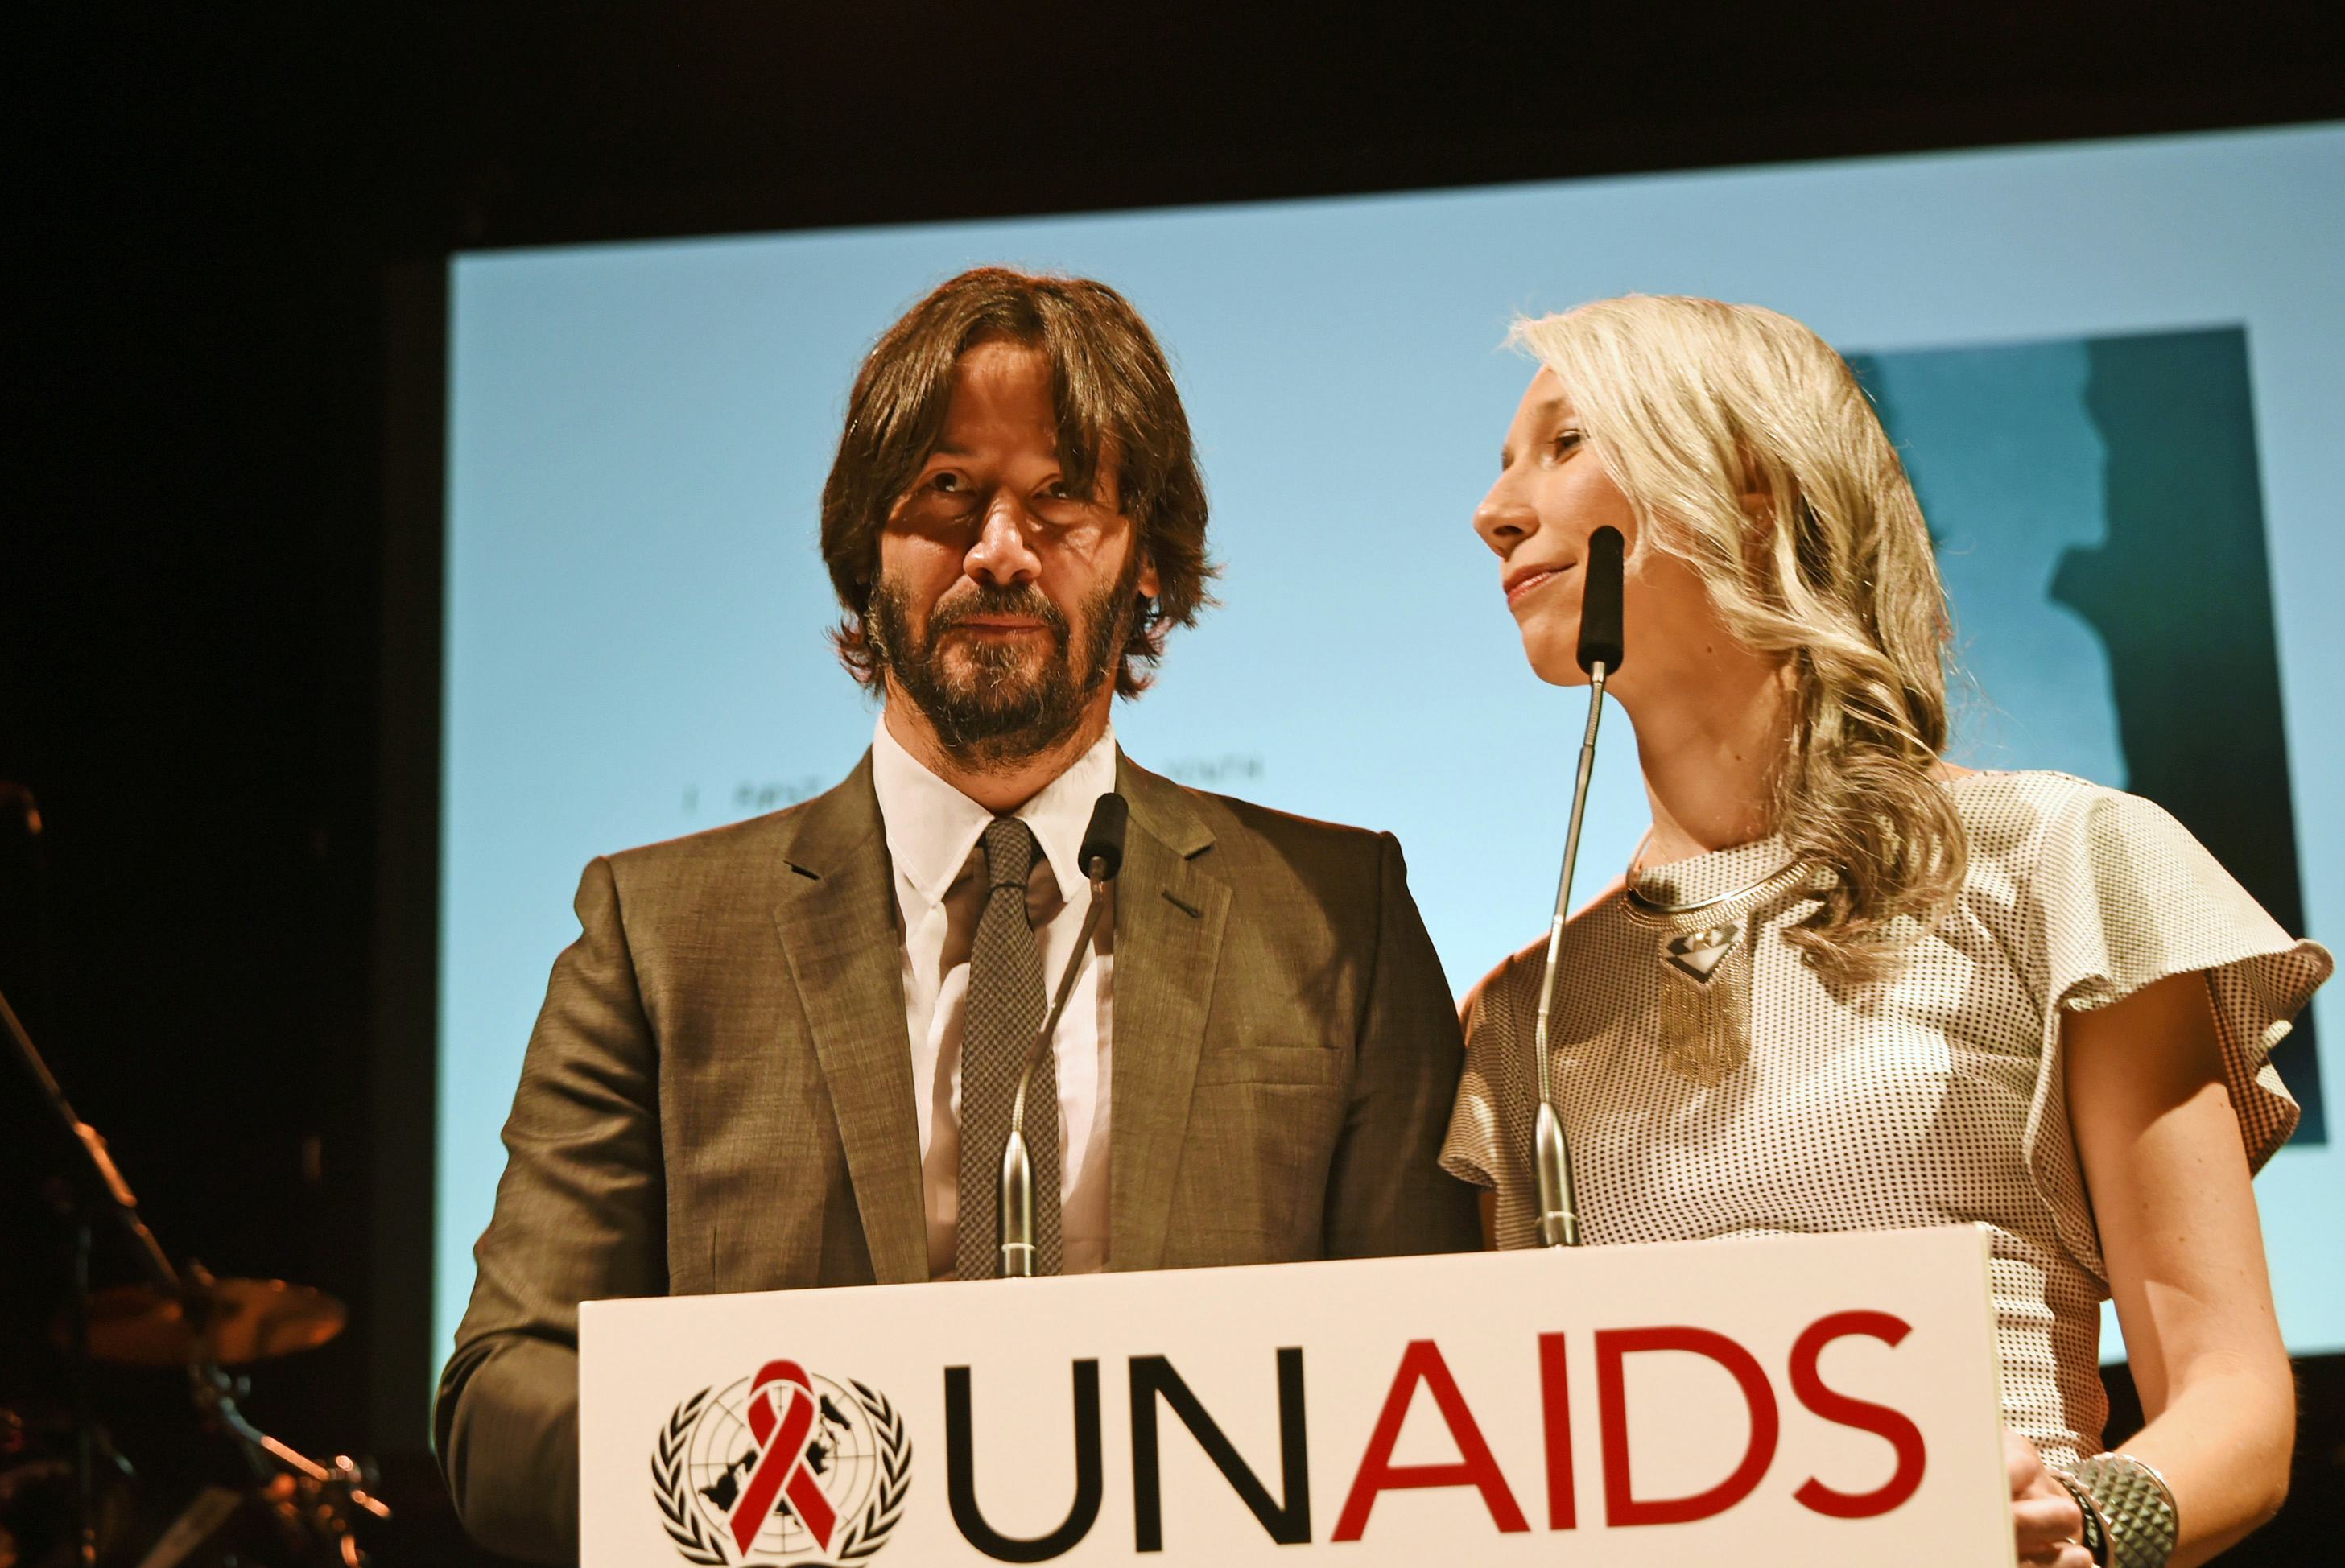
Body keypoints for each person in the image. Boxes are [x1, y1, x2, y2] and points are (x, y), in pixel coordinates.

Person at [435, 266, 1480, 1564]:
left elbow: (1441, 1382)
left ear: (1147, 557)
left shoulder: (1337, 917)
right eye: (946, 491)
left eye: (1062, 498)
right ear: (863, 548)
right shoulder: (654, 936)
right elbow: (505, 1399)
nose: (998, 549)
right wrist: (811, 1488)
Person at [1444, 295, 2327, 1568]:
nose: (1496, 510)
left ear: (1753, 490)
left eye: (1565, 442)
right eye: (1505, 464)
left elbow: (2235, 1406)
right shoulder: (1525, 1014)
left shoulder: (2056, 862)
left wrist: (2088, 1523)